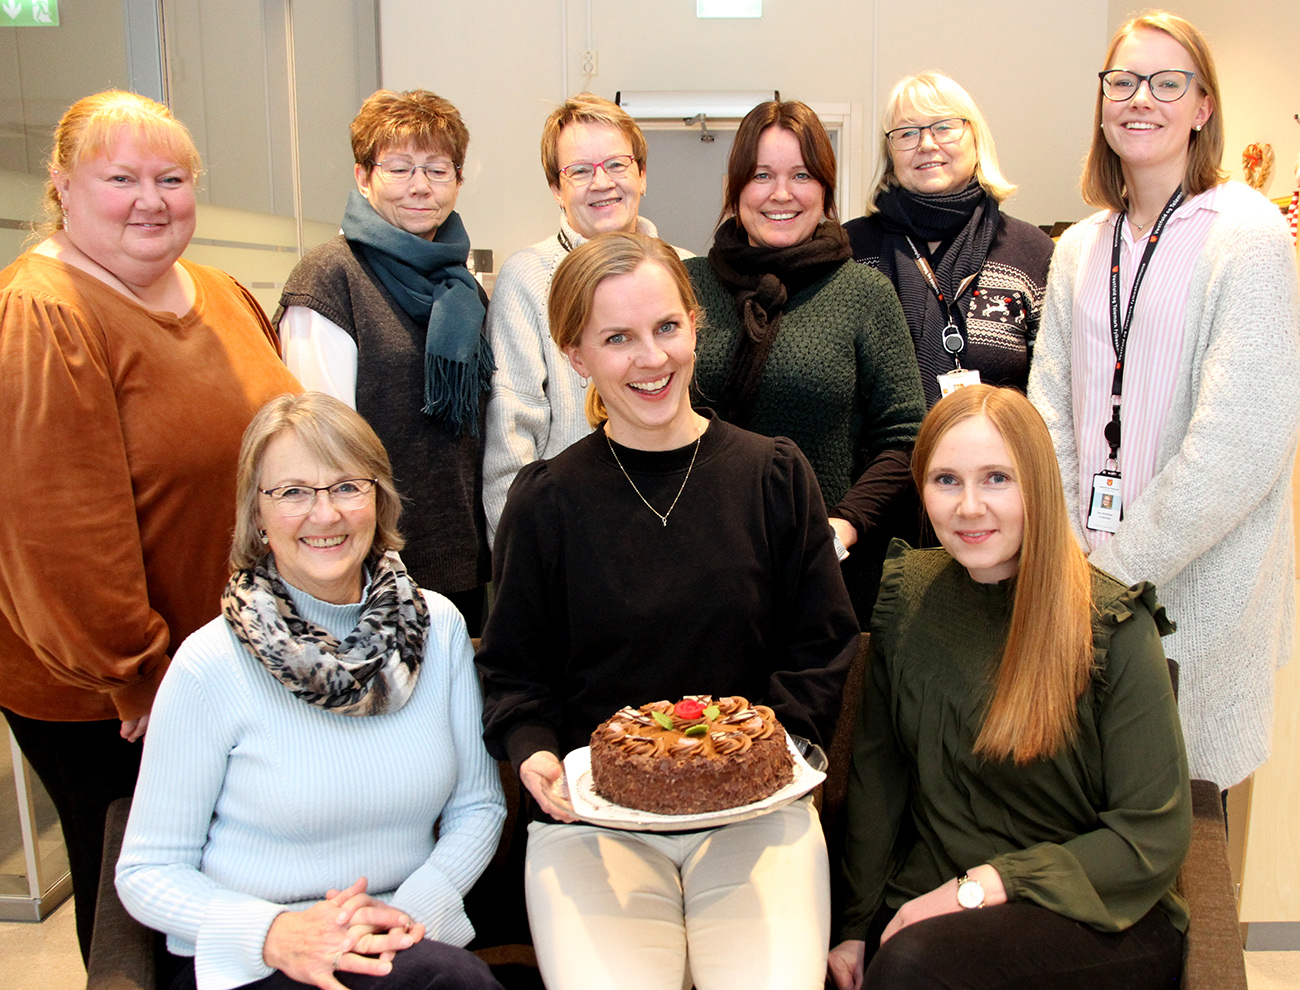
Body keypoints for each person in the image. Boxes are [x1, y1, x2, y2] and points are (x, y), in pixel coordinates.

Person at [477, 231, 859, 990]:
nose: (650, 359)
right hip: (593, 825)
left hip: (756, 814)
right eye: (617, 338)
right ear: (575, 355)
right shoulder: (546, 501)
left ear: (695, 326)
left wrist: (767, 752)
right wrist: (533, 750)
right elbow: (514, 671)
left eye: (666, 328)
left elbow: (820, 644)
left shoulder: (774, 476)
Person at [0, 90, 301, 963]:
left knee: (226, 899)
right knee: (140, 923)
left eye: (171, 179)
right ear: (63, 185)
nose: (151, 201)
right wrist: (134, 675)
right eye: (120, 178)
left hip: (227, 661)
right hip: (119, 697)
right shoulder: (43, 311)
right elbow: (56, 530)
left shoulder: (220, 291)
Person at [116, 392, 506, 990]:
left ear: (378, 500)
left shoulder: (440, 628)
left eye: (347, 487)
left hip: (403, 936)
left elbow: (478, 807)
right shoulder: (208, 664)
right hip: (256, 957)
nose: (325, 515)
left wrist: (410, 911)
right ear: (257, 514)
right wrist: (274, 932)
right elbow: (147, 870)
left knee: (447, 980)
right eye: (293, 492)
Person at [828, 384, 1191, 990]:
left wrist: (982, 886)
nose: (969, 507)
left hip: (1091, 912)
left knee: (915, 966)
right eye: (946, 480)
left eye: (997, 478)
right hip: (928, 906)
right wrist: (854, 927)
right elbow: (878, 776)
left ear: (1038, 486)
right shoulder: (908, 596)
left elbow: (1152, 836)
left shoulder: (1113, 627)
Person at [1027, 10, 1300, 790]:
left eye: (1167, 82)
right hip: (1081, 582)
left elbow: (1240, 446)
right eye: (1123, 81)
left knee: (1187, 830)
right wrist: (1071, 557)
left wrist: (1112, 572)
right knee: (1087, 809)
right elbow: (1049, 409)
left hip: (1195, 599)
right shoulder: (1080, 247)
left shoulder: (1247, 234)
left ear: (1203, 106)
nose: (1140, 98)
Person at [685, 99, 926, 624]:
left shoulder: (864, 293)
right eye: (761, 175)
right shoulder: (688, 285)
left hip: (824, 571)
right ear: (734, 189)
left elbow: (907, 440)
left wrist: (841, 527)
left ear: (825, 189)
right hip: (698, 562)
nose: (781, 193)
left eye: (801, 175)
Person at [275, 89, 493, 632]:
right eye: (399, 168)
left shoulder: (462, 287)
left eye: (437, 169)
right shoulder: (330, 278)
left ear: (458, 180)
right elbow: (323, 447)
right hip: (370, 563)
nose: (420, 186)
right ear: (363, 176)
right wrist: (373, 556)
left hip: (458, 554)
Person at [481, 92, 691, 547]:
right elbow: (510, 442)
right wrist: (525, 559)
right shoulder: (527, 278)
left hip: (680, 531)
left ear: (642, 174)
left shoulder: (688, 269)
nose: (602, 183)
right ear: (556, 189)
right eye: (579, 170)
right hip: (573, 539)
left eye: (617, 164)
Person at [844, 72, 1055, 408]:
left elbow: (1054, 393)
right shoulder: (850, 250)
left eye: (944, 127)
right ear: (890, 153)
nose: (927, 144)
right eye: (907, 133)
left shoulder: (1032, 252)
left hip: (1000, 443)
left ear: (976, 139)